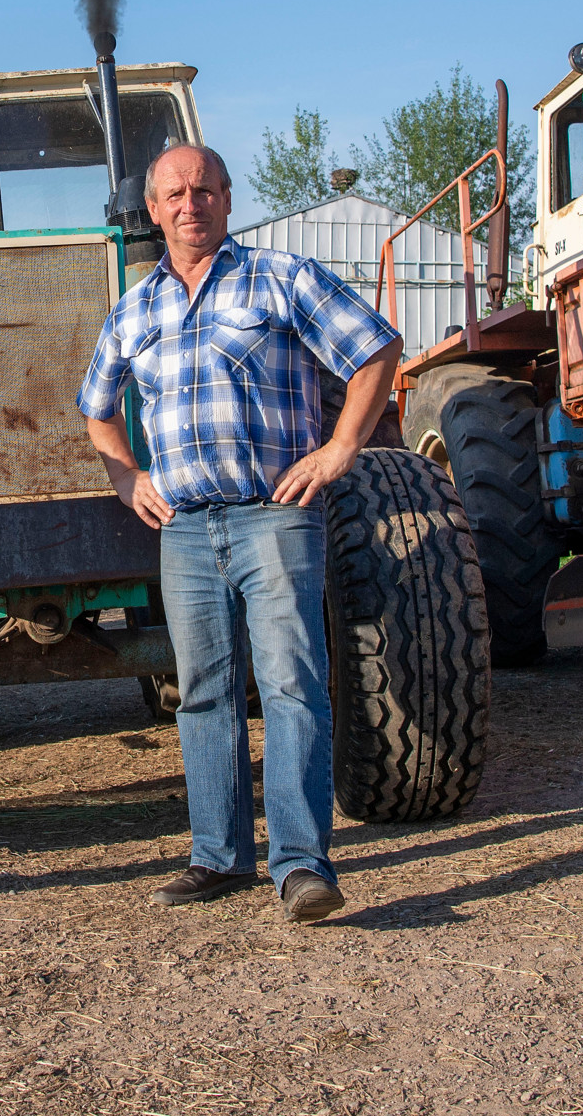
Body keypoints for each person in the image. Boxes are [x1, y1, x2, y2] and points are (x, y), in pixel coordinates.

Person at [76, 145, 400, 925]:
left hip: (274, 514)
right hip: (184, 529)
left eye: (205, 189)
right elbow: (96, 406)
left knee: (292, 684)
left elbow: (377, 348)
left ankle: (300, 865)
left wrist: (340, 448)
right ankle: (218, 856)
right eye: (175, 192)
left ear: (227, 198)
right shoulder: (133, 309)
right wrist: (126, 476)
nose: (191, 203)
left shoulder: (282, 278)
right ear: (151, 209)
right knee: (204, 695)